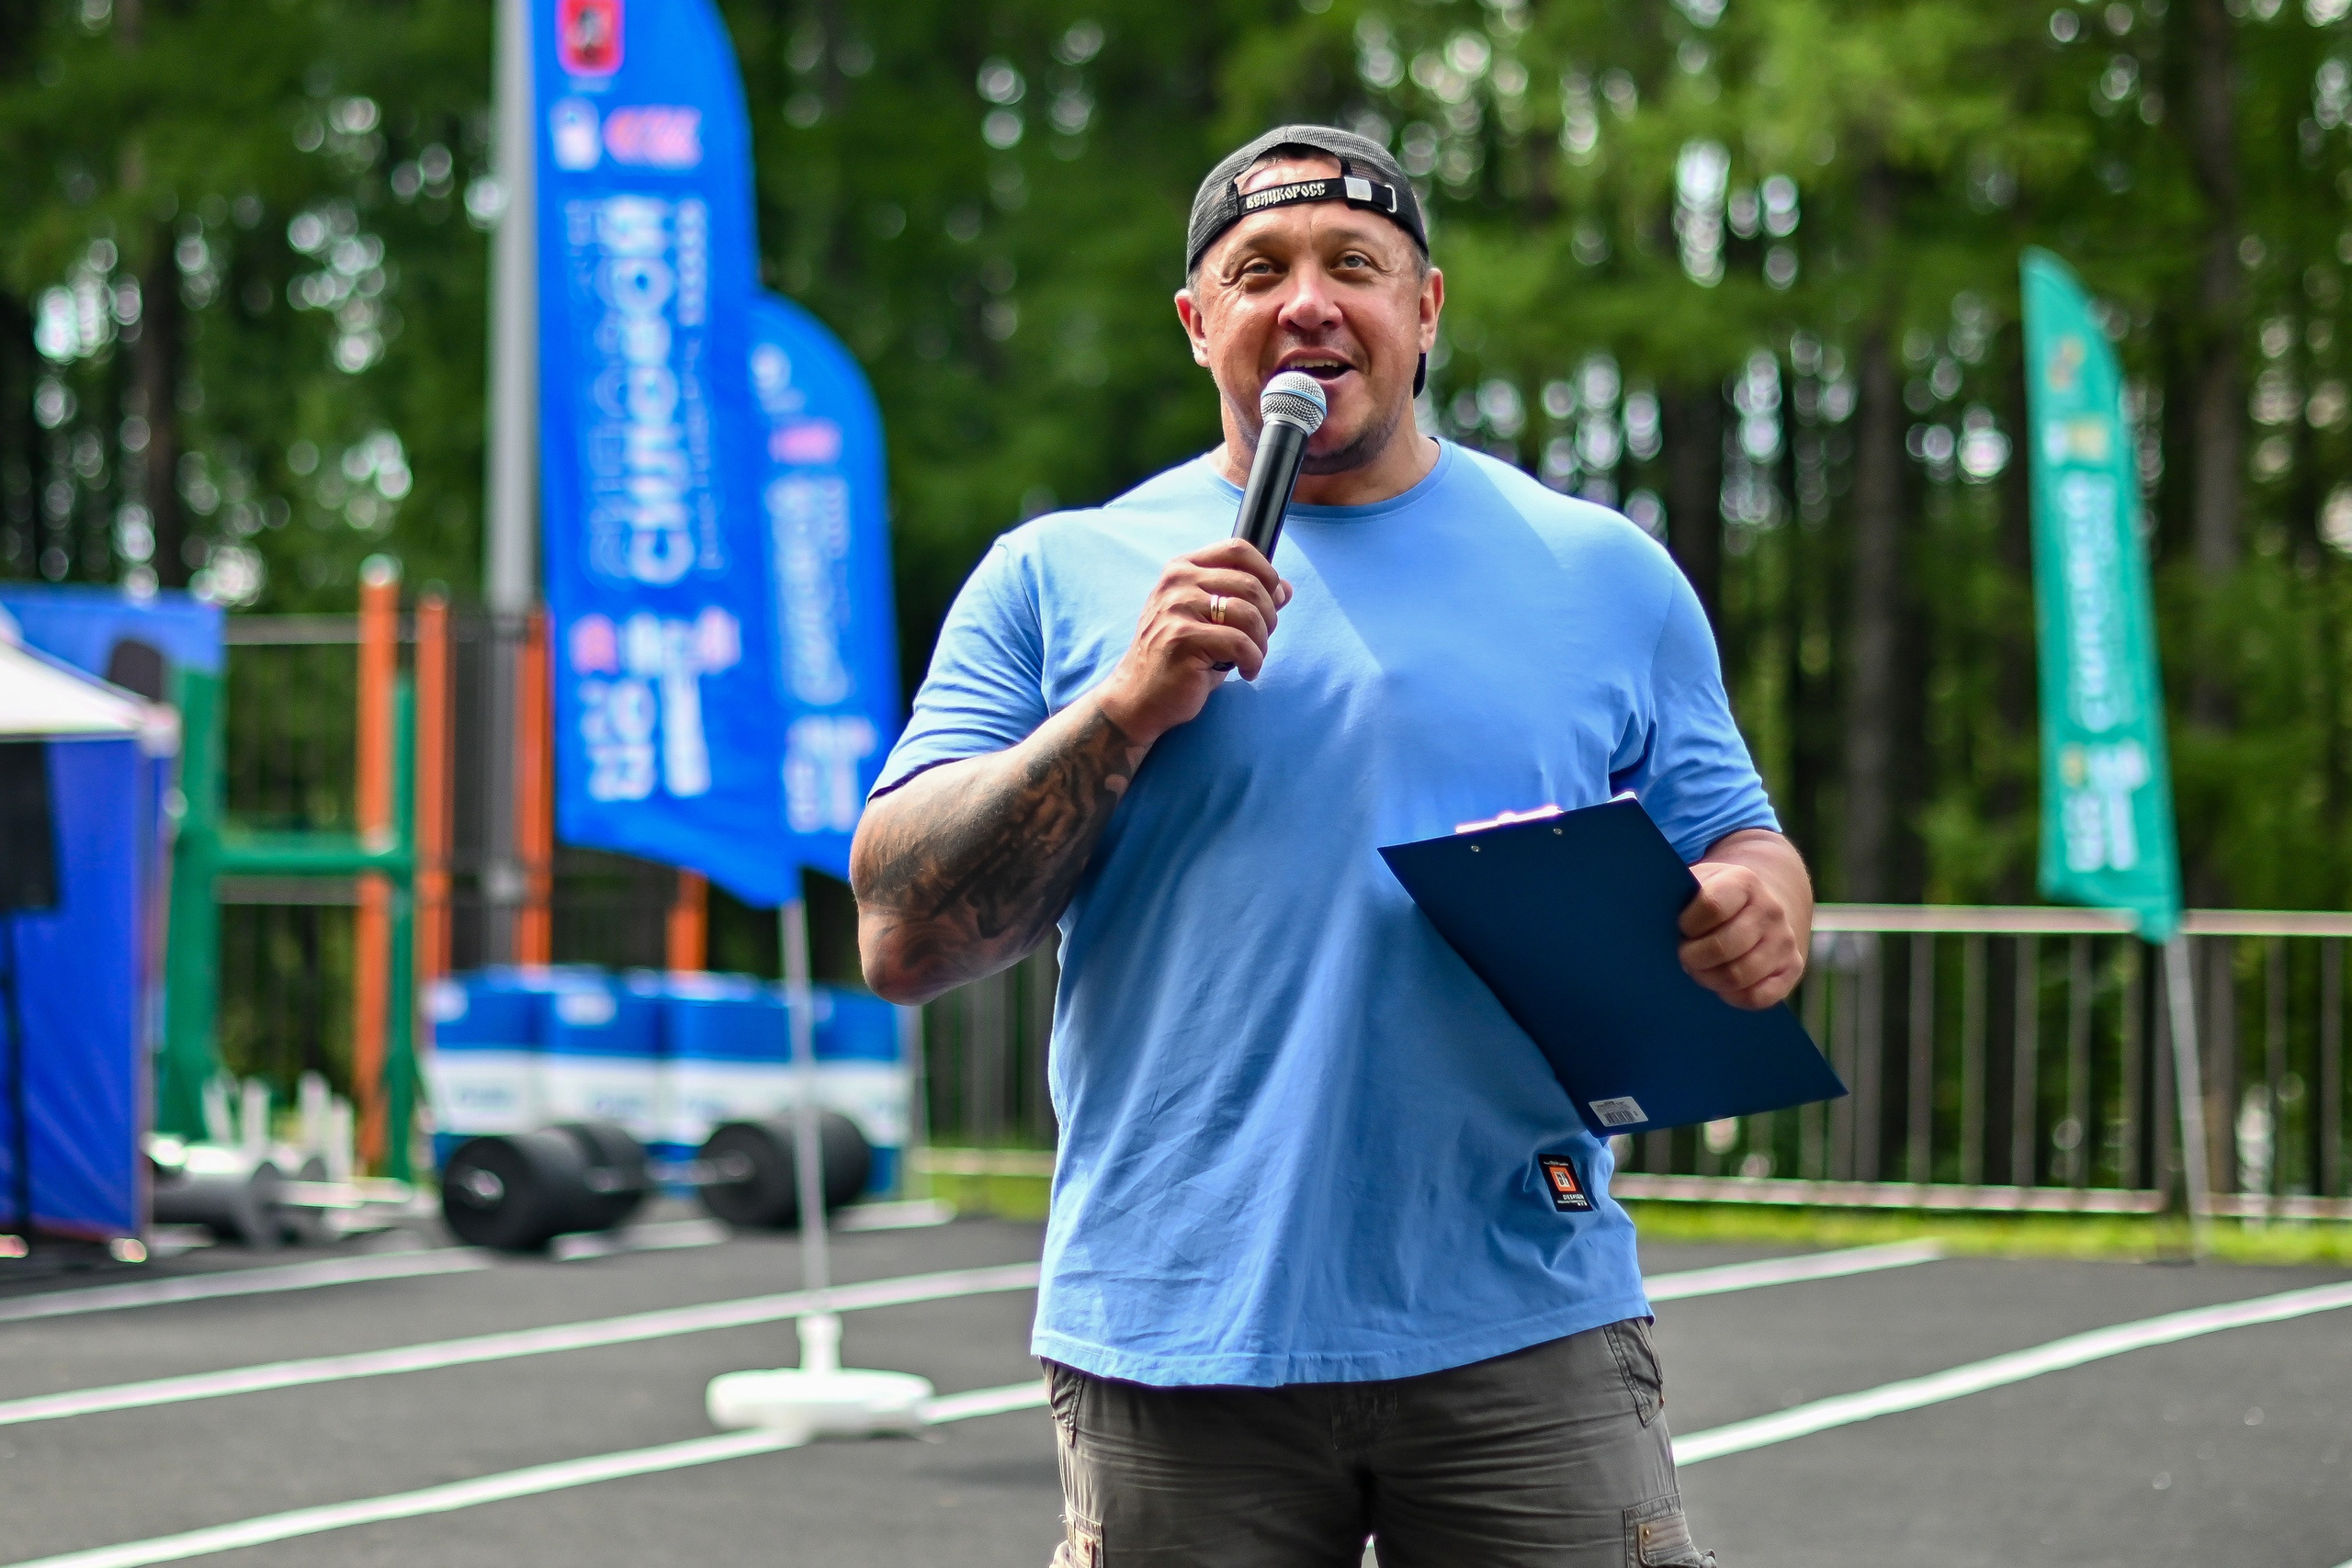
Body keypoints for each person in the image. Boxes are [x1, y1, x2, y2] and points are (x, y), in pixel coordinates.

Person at [851, 124, 1810, 1568]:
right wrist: (1121, 708)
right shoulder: (1058, 573)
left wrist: (1757, 904)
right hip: (1177, 1326)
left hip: (1519, 1304)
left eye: (1354, 263)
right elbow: (902, 934)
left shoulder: (1602, 569)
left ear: (1426, 309)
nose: (1308, 301)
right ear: (1198, 323)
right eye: (1260, 271)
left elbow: (1741, 843)